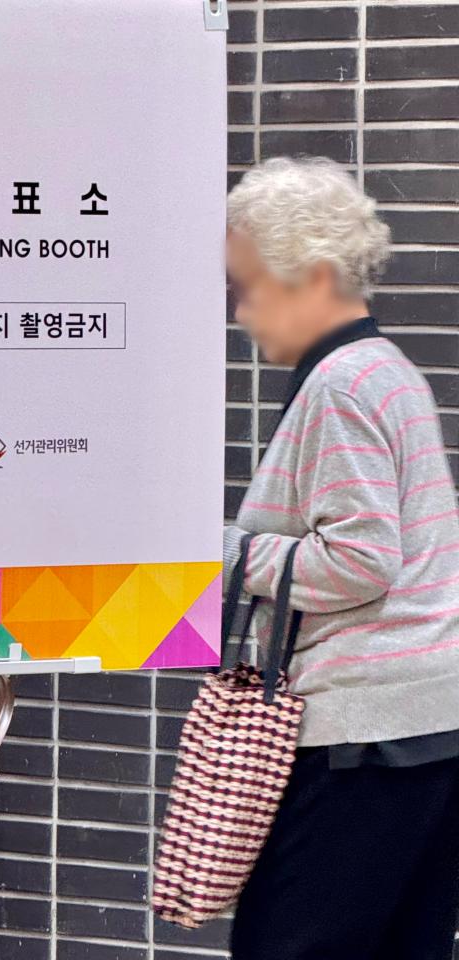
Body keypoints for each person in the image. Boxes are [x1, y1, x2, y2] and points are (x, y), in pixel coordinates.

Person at [223, 155, 459, 960]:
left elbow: (360, 560)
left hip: (362, 737)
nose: (244, 313)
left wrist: (229, 552)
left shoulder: (341, 386)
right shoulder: (390, 372)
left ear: (314, 276)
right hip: (428, 725)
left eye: (252, 287)